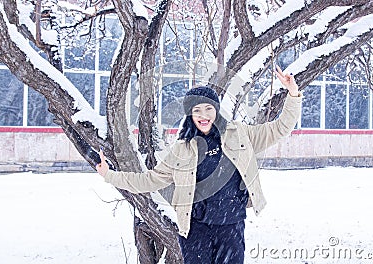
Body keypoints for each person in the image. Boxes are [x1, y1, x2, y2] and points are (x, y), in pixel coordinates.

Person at [96, 65, 302, 263]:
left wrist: (292, 94)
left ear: (216, 110)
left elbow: (280, 128)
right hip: (196, 229)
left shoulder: (239, 134)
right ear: (190, 115)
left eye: (208, 108)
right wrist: (109, 175)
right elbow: (149, 180)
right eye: (197, 110)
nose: (203, 115)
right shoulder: (182, 150)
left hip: (231, 226)